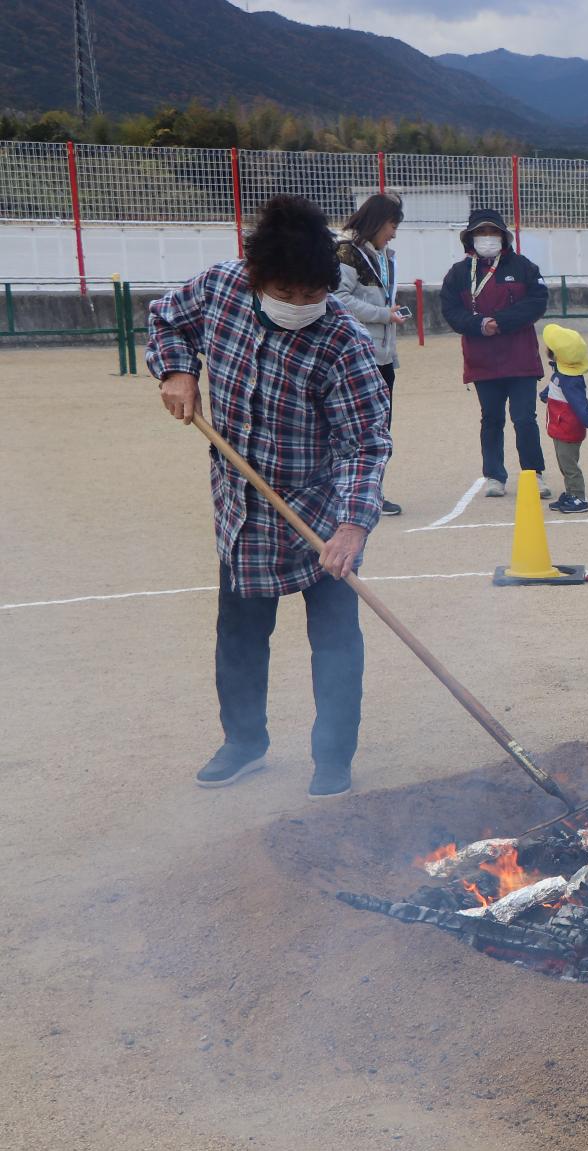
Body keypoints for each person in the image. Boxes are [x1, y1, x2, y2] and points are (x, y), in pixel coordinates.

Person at [147, 194, 392, 799]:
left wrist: (353, 528)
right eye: (289, 294)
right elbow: (167, 319)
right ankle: (244, 743)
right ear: (259, 279)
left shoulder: (344, 341)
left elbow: (365, 443)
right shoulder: (221, 287)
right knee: (238, 635)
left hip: (319, 512)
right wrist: (176, 370)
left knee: (335, 642)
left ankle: (332, 757)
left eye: (314, 295)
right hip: (241, 510)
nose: (302, 306)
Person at [440, 208, 548, 498]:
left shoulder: (524, 267)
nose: (487, 238)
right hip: (482, 360)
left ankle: (533, 474)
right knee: (491, 418)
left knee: (525, 418)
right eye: (481, 232)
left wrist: (501, 321)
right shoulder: (458, 274)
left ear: (503, 236)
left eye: (492, 232)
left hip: (521, 358)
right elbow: (451, 311)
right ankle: (494, 476)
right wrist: (478, 324)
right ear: (470, 238)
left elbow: (538, 301)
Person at [334, 192, 406, 516]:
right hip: (359, 353)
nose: (393, 232)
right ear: (377, 221)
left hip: (382, 354)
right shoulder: (346, 252)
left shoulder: (380, 254)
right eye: (392, 224)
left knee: (380, 427)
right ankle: (353, 495)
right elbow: (338, 299)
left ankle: (372, 492)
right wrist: (382, 315)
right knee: (361, 428)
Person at [538, 323, 588, 513]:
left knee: (569, 465)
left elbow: (579, 405)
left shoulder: (570, 381)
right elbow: (552, 388)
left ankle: (579, 497)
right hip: (559, 427)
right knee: (563, 463)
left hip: (567, 429)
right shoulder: (561, 374)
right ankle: (570, 493)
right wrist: (545, 395)